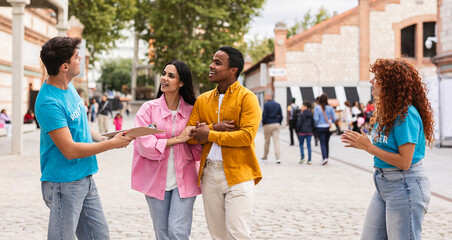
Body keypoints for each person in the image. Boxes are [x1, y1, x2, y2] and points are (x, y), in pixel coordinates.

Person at [36, 36, 135, 240]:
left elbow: (81, 126)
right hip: (64, 182)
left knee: (98, 236)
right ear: (65, 66)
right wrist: (111, 145)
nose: (80, 59)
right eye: (76, 57)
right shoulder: (48, 102)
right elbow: (70, 150)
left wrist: (108, 137)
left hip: (85, 177)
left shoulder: (69, 87)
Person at [341, 58, 434, 239]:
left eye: (377, 78)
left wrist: (368, 147)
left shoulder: (405, 114)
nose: (371, 81)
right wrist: (366, 145)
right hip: (384, 184)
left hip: (405, 185)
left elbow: (405, 162)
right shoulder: (388, 112)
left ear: (391, 83)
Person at [188, 46, 262, 240]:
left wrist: (209, 133)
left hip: (239, 174)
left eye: (218, 63)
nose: (211, 66)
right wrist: (215, 127)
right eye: (212, 61)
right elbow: (191, 135)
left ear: (233, 70)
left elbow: (246, 137)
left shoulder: (248, 98)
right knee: (218, 236)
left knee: (238, 235)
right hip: (209, 175)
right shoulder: (202, 100)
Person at [132, 60, 202, 240]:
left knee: (178, 232)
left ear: (181, 82)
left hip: (184, 179)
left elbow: (198, 148)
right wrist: (177, 139)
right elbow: (144, 144)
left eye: (171, 76)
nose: (164, 78)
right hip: (155, 179)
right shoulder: (148, 109)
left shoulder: (193, 111)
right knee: (162, 234)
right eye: (164, 74)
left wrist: (200, 135)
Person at [313, 93, 337, 165]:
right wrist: (331, 122)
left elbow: (316, 118)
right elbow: (335, 118)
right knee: (327, 142)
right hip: (328, 128)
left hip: (320, 127)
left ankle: (324, 158)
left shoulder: (317, 108)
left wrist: (316, 125)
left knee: (322, 143)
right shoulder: (330, 107)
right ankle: (327, 157)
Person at [261, 91, 282, 164]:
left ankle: (265, 156)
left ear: (269, 96)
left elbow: (264, 115)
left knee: (267, 141)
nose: (265, 97)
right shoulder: (278, 104)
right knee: (276, 141)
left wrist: (264, 123)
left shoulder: (266, 105)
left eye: (266, 95)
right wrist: (279, 123)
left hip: (268, 124)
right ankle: (278, 157)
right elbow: (281, 116)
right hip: (276, 123)